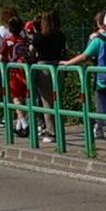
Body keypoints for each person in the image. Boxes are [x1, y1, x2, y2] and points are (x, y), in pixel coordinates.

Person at [61, 10, 106, 155]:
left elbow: (84, 56)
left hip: (104, 81)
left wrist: (67, 63)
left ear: (105, 24)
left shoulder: (99, 40)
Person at [29, 10, 67, 144]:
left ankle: (51, 131)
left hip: (43, 66)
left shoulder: (40, 36)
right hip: (58, 66)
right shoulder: (61, 35)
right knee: (57, 98)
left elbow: (31, 51)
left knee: (46, 100)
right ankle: (60, 128)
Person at [0, 17, 32, 136]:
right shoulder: (25, 41)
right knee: (23, 97)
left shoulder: (7, 41)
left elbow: (1, 56)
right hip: (25, 70)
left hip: (13, 71)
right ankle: (19, 126)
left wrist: (0, 67)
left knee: (16, 97)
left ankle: (24, 123)